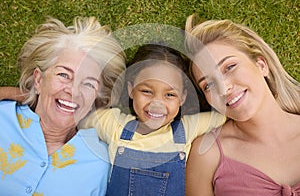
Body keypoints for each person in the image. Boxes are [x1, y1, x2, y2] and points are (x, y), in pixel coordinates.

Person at [0, 16, 126, 196]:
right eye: (64, 75)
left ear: (96, 98)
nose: (74, 91)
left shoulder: (102, 162)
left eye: (89, 84)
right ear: (38, 79)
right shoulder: (3, 118)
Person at [80, 43, 225, 196]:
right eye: (147, 91)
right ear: (131, 90)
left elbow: (230, 116)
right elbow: (79, 117)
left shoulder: (188, 129)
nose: (157, 104)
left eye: (170, 95)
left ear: (182, 98)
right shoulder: (114, 125)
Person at [184, 14, 300, 196]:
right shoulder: (207, 154)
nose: (224, 88)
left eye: (229, 67)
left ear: (261, 65)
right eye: (209, 85)